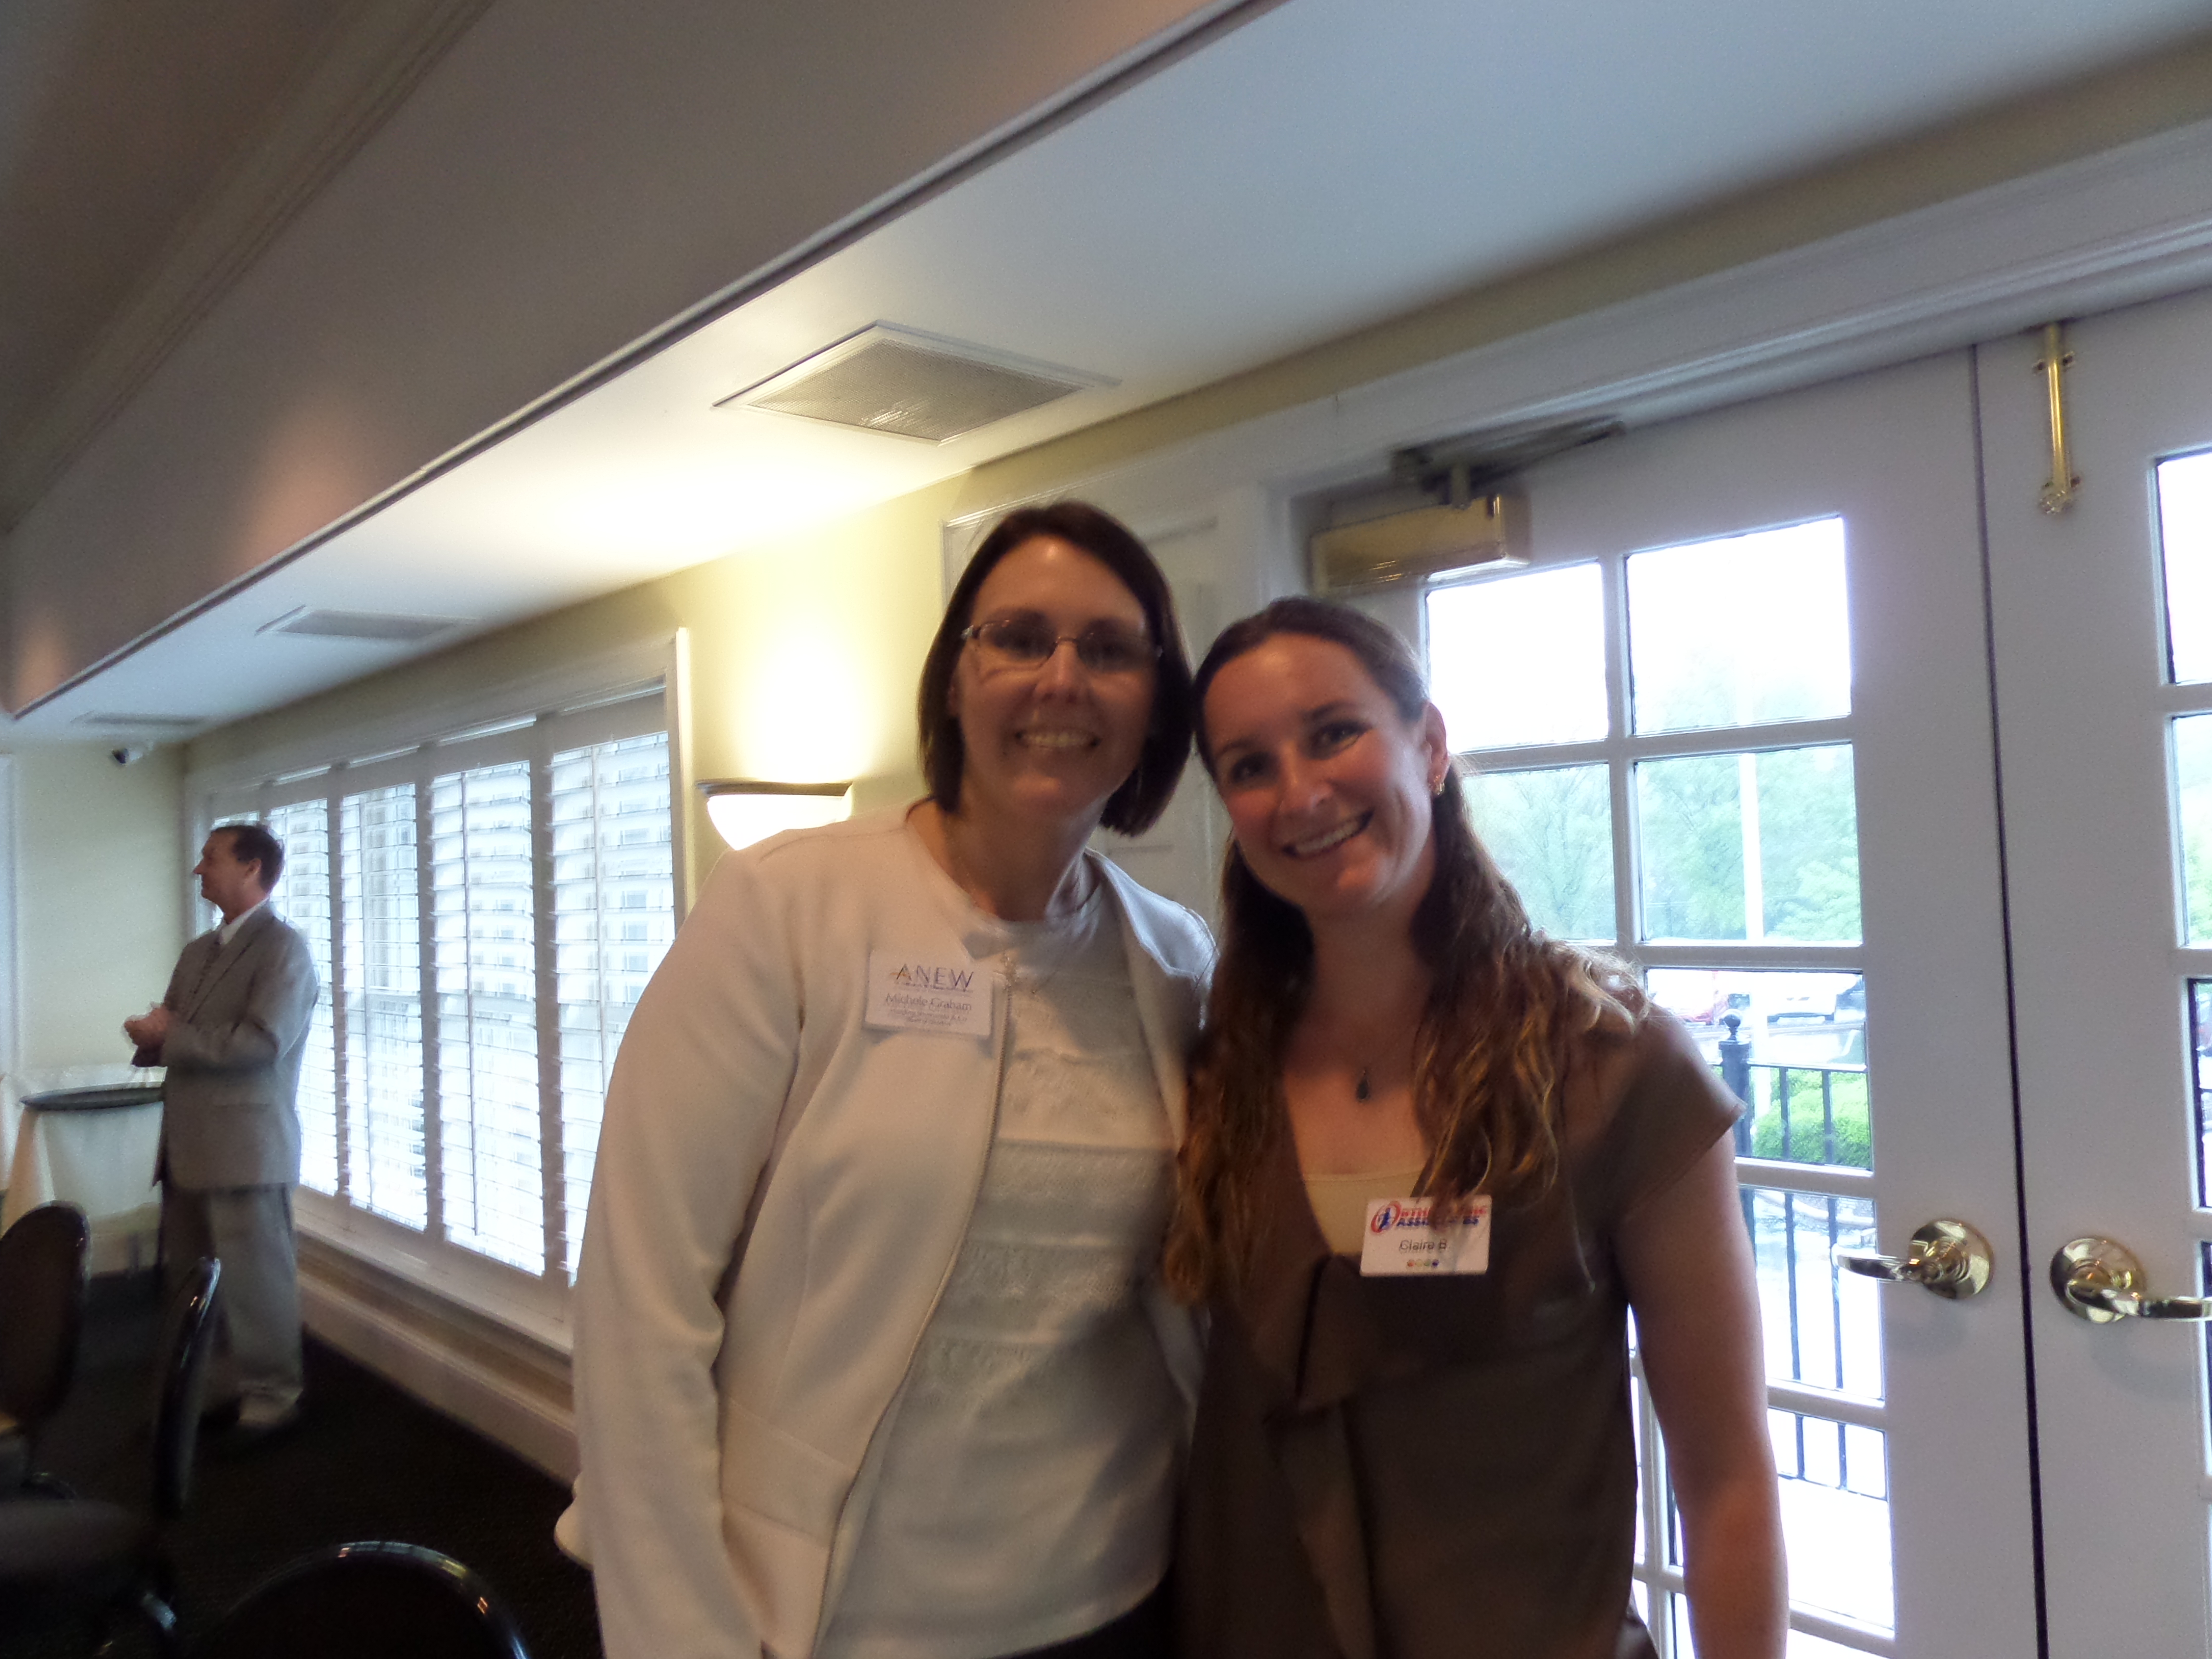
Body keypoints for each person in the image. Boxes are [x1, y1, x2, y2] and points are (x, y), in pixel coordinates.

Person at [564, 501, 1215, 1659]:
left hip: (1116, 1592)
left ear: (1155, 702)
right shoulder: (787, 909)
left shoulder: (1175, 961)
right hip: (834, 1612)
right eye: (1020, 637)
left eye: (1111, 648)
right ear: (956, 680)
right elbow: (639, 1308)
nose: (1063, 677)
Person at [1165, 598, 1784, 1659]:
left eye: (1333, 733)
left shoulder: (1608, 1063)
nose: (1300, 793)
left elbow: (1725, 1477)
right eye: (1250, 766)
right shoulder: (1217, 1075)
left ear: (1430, 745)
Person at [124, 821, 318, 1450]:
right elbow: (176, 1030)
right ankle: (211, 1391)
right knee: (192, 1282)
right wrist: (151, 1037)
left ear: (252, 868)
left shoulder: (284, 950)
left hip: (246, 1148)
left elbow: (261, 1044)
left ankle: (272, 1399)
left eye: (211, 858)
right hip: (186, 1146)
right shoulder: (197, 953)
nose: (198, 869)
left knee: (255, 1282)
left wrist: (170, 1035)